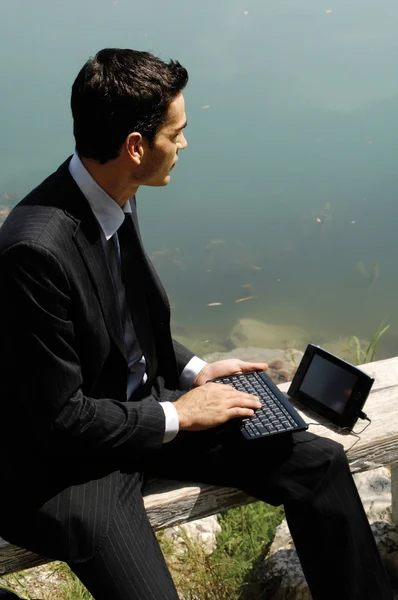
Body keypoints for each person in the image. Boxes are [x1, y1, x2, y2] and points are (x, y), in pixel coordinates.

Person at [0, 48, 393, 600]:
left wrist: (197, 369)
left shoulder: (115, 192)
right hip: (75, 468)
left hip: (147, 411)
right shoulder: (33, 251)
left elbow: (124, 323)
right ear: (136, 147)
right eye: (176, 132)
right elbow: (59, 420)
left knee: (318, 463)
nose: (184, 144)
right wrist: (180, 415)